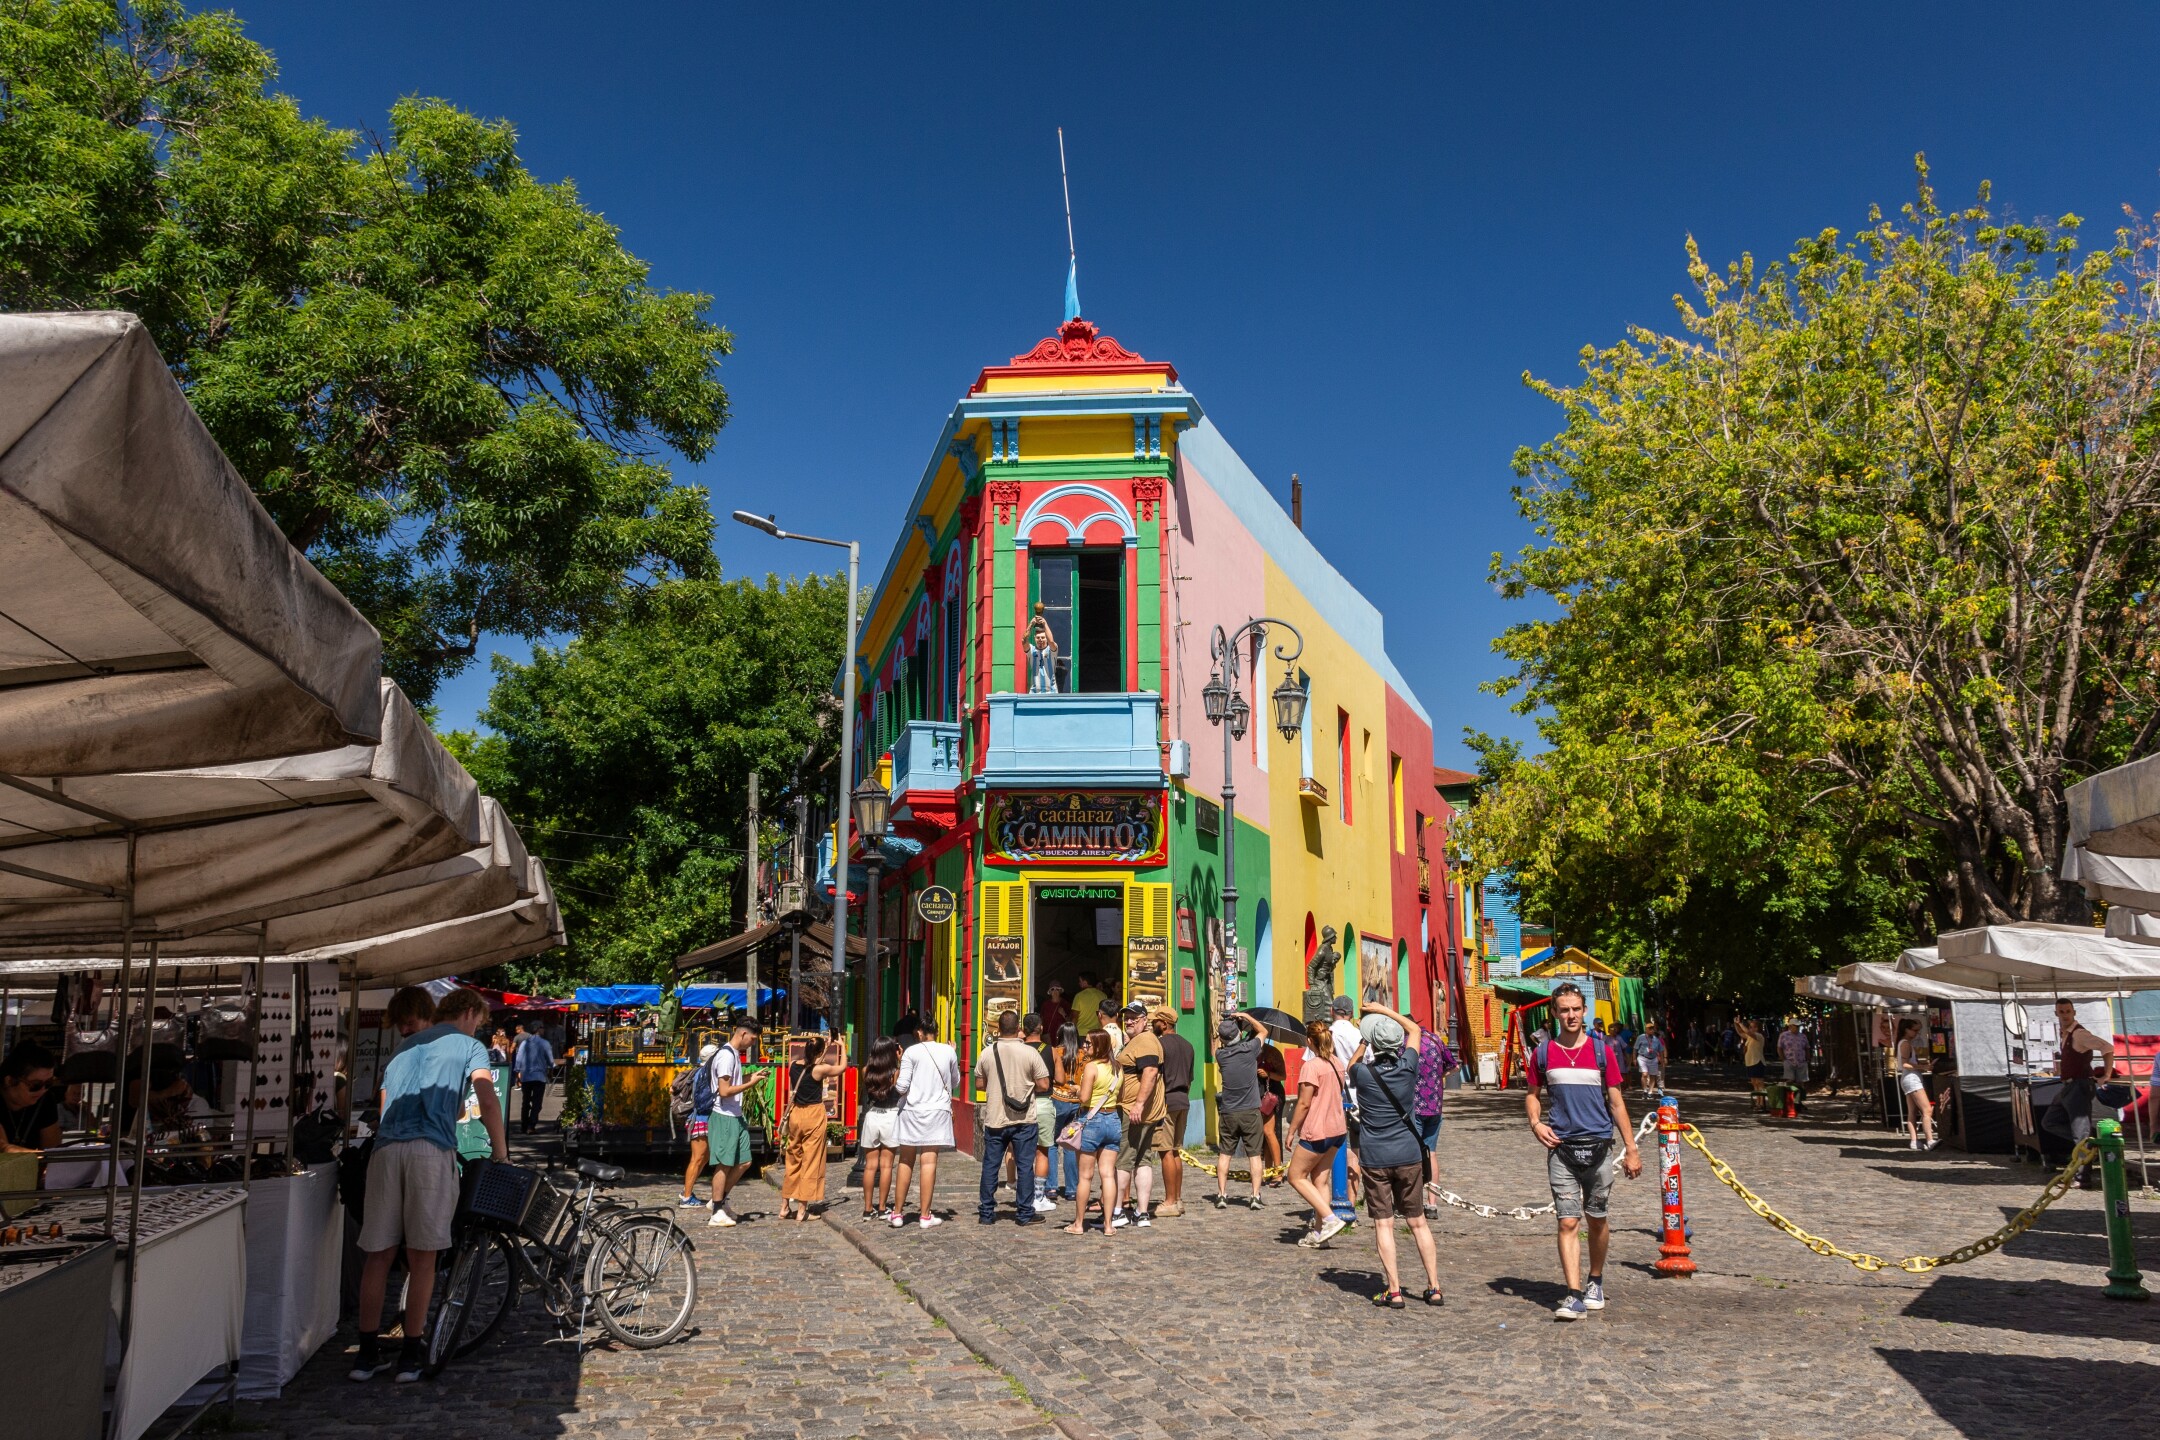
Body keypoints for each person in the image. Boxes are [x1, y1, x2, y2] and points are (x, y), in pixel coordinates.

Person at [352, 985, 505, 1382]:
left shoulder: (403, 1049)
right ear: (471, 1013)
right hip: (429, 1152)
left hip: (386, 1152)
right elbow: (487, 1100)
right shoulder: (469, 1046)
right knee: (423, 1258)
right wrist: (501, 1153)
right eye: (480, 1024)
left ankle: (366, 1356)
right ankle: (409, 1356)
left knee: (378, 1255)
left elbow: (386, 1108)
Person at [1524, 981, 1641, 1322]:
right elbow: (1532, 1094)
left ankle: (1595, 1280)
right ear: (1555, 1013)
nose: (1571, 1015)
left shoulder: (1602, 1052)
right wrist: (1535, 1123)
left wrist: (1631, 1149)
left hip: (1600, 1149)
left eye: (1576, 1009)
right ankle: (1574, 1294)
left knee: (1597, 1219)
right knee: (1568, 1221)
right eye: (1564, 1010)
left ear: (1584, 1011)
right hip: (1561, 1151)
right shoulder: (1543, 1053)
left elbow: (1617, 1103)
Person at [1352, 1003, 1444, 1307]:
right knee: (1418, 1222)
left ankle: (1393, 1290)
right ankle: (1434, 1286)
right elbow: (1415, 1029)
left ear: (1374, 1046)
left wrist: (1365, 1037)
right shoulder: (1408, 1067)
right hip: (1408, 1154)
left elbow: (1349, 1065)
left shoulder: (1363, 1074)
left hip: (1375, 1158)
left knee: (1384, 1224)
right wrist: (1383, 1010)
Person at [973, 1010, 1049, 1225]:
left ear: (998, 1028)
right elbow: (1044, 1084)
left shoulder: (987, 1053)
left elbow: (979, 1084)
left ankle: (986, 1213)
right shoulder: (1030, 1053)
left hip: (996, 1117)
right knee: (1025, 1166)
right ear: (1019, 1029)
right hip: (1024, 1118)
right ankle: (1025, 1213)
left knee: (990, 1165)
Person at [1286, 1021, 1350, 1247]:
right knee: (1320, 1180)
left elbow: (1303, 1103)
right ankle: (1319, 1233)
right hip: (1338, 1129)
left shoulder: (1311, 1066)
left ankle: (1330, 1219)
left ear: (1309, 1041)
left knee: (1295, 1176)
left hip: (1318, 1130)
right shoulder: (1336, 1063)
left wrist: (1292, 1131)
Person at [894, 1024, 961, 1228]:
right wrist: (953, 1055)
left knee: (905, 1160)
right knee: (929, 1162)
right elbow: (956, 1082)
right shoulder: (948, 1051)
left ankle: (897, 1214)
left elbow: (901, 1087)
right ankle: (925, 1215)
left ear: (920, 1033)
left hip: (912, 1111)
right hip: (937, 1111)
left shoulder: (911, 1052)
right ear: (936, 1033)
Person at [2042, 999, 2115, 1184]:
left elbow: (2107, 1048)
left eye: (2068, 1011)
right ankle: (2089, 1141)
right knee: (2049, 1122)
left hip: (2079, 1086)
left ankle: (2083, 1177)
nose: (2065, 1015)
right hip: (2068, 1086)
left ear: (2073, 1012)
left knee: (2079, 1133)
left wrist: (2106, 1074)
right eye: (2061, 1011)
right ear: (2056, 1013)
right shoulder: (2065, 1033)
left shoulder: (2079, 1033)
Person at [1110, 1002, 1169, 1226]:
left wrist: (1138, 1104)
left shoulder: (1145, 1041)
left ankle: (1116, 1211)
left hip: (1134, 1111)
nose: (1129, 1021)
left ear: (1145, 1019)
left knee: (1124, 1160)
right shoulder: (1141, 1041)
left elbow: (1151, 1071)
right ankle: (1142, 1213)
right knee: (1143, 1160)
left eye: (1135, 1017)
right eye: (1127, 1018)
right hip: (1144, 1111)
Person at [1062, 1030, 1123, 1236]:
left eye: (1088, 1043)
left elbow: (1085, 1097)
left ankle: (1079, 1224)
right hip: (1113, 1119)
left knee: (1085, 1177)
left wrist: (1077, 1090)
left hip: (1092, 1121)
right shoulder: (1117, 1067)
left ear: (1098, 1045)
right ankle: (1108, 1225)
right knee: (1108, 1175)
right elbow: (1118, 1096)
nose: (1084, 1047)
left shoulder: (1091, 1067)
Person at [780, 1035, 846, 1222]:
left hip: (796, 1114)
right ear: (819, 1052)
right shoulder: (820, 1069)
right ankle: (802, 1210)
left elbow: (812, 1060)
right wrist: (841, 1047)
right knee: (811, 1161)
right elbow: (841, 1068)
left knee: (793, 1159)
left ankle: (784, 1207)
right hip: (813, 1114)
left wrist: (823, 1047)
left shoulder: (794, 1065)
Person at [704, 1020, 759, 1227]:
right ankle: (716, 1211)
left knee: (744, 1161)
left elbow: (733, 1082)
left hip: (735, 1114)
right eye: (752, 1038)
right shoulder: (726, 1055)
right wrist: (750, 1084)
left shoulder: (734, 1054)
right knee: (724, 1163)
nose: (753, 1043)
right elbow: (725, 1091)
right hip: (724, 1114)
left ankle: (719, 1199)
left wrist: (750, 1077)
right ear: (743, 1033)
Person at [1211, 1013, 1268, 1210]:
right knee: (1254, 1155)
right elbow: (1263, 1031)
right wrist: (1246, 1016)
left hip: (1228, 1111)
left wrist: (1220, 1029)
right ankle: (1254, 1195)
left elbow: (1215, 1046)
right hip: (1250, 1110)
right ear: (1238, 1034)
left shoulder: (1221, 1056)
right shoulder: (1250, 1049)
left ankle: (1221, 1194)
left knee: (1225, 1153)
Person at [1410, 1018, 1458, 1217]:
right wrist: (1438, 1076)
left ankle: (1413, 1202)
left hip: (1415, 1107)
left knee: (1413, 1155)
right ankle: (1432, 1204)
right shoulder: (1435, 1040)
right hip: (1435, 1105)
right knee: (1432, 1153)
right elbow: (1454, 1066)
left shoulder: (1406, 1043)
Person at [1151, 1007, 1194, 1217]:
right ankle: (1177, 1198)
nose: (1153, 1025)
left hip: (1166, 1101)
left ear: (1164, 1024)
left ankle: (1169, 1201)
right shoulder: (1188, 1045)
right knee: (1176, 1151)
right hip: (1183, 1099)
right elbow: (1191, 1078)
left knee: (1165, 1151)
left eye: (1156, 1021)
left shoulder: (1159, 1045)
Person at [859, 1036, 903, 1221]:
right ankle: (883, 1206)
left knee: (870, 1167)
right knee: (886, 1166)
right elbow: (901, 1088)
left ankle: (868, 1209)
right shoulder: (895, 1073)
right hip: (891, 1116)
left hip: (872, 1115)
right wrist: (900, 1059)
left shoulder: (866, 1071)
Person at [1023, 1013, 1060, 1214]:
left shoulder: (1018, 1050)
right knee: (1043, 1150)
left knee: (1023, 1151)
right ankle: (1039, 1196)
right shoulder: (1050, 1050)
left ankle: (1025, 1195)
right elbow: (1060, 1078)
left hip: (1022, 1104)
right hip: (1044, 1102)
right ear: (1041, 1028)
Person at [676, 1043, 719, 1208]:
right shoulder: (705, 1074)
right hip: (701, 1119)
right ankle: (686, 1197)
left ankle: (687, 1190)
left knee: (702, 1158)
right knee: (698, 1158)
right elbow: (703, 1101)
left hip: (699, 1119)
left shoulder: (699, 1072)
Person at [0, 1042, 61, 1153]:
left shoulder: (45, 1100)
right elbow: (4, 1150)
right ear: (9, 1081)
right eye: (35, 1085)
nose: (43, 1090)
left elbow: (53, 1150)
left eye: (49, 1083)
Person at [1047, 1022, 1084, 1202]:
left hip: (1057, 1100)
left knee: (1052, 1144)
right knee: (1070, 1144)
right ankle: (1071, 1189)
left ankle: (1052, 1187)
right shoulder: (1083, 1055)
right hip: (1076, 1102)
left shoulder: (1056, 1052)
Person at [1893, 1018, 1936, 1151]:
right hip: (1911, 1079)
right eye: (1915, 1030)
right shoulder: (1905, 1044)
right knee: (1927, 1110)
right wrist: (1924, 1066)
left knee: (1912, 1111)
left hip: (1908, 1078)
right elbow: (1905, 1064)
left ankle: (1914, 1140)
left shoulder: (1903, 1043)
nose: (1917, 1033)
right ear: (1907, 1030)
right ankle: (1930, 1140)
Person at [511, 1021, 555, 1136]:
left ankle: (523, 1125)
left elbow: (519, 1058)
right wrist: (552, 1066)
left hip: (526, 1076)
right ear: (538, 1029)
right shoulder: (544, 1043)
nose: (544, 1030)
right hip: (539, 1076)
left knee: (525, 1101)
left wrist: (517, 1071)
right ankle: (531, 1126)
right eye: (542, 1028)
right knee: (537, 1103)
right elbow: (550, 1060)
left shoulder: (525, 1043)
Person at [1257, 1044, 1288, 1180]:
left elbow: (1283, 1076)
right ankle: (1269, 1169)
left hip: (1273, 1096)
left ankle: (1277, 1171)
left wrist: (1268, 1074)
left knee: (1270, 1131)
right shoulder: (1253, 1050)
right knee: (1266, 1133)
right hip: (1261, 1094)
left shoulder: (1273, 1053)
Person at [1776, 1020, 1809, 1109]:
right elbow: (1779, 1048)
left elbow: (1807, 1048)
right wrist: (1783, 1059)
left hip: (1801, 1061)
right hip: (1789, 1060)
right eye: (1795, 1026)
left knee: (1801, 1082)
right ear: (1790, 1026)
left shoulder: (1803, 1036)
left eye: (1798, 1026)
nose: (1797, 1028)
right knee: (1789, 1081)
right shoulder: (1784, 1035)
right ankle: (1789, 1101)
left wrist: (1807, 1059)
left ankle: (1799, 1101)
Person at [1737, 1017, 1768, 1109]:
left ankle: (1762, 1103)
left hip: (1757, 1061)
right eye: (1750, 1027)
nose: (1750, 1029)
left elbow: (1747, 1032)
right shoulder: (1749, 1038)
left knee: (1759, 1082)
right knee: (1754, 1082)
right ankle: (1758, 1101)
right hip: (1750, 1062)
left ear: (1757, 1028)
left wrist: (1740, 1023)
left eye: (1752, 1027)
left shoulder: (1759, 1036)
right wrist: (1736, 1024)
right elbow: (1741, 1032)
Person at [1635, 1021, 1667, 1098]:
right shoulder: (1641, 1037)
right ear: (1646, 1030)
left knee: (1653, 1075)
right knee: (1645, 1074)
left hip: (1653, 1058)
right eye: (1650, 1029)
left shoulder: (1657, 1039)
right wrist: (1634, 1058)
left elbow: (1661, 1050)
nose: (1651, 1030)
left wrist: (1662, 1059)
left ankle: (1650, 1092)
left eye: (1652, 1029)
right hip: (1642, 1057)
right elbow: (1635, 1048)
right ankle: (1645, 1090)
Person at [1071, 973, 1108, 1039]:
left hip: (1081, 1033)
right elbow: (1105, 1016)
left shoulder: (1079, 996)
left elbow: (1074, 1017)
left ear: (1085, 982)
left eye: (1080, 981)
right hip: (1097, 1033)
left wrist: (1071, 1033)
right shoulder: (1103, 995)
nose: (1079, 983)